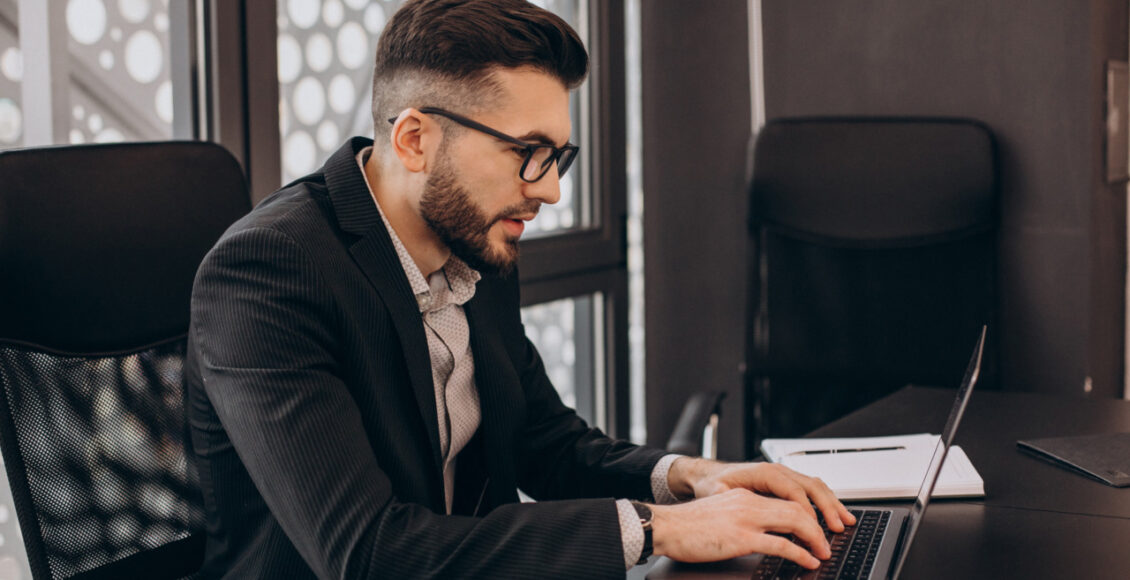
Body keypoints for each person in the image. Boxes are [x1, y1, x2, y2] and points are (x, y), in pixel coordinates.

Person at [184, 0, 855, 578]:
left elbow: (541, 439)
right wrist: (657, 530)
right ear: (415, 140)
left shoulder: (474, 235)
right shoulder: (269, 272)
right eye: (527, 153)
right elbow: (366, 554)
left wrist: (691, 480)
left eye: (558, 157)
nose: (550, 190)